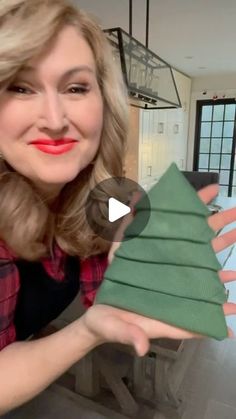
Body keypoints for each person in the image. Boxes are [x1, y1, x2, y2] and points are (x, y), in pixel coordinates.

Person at [0, 0, 236, 414]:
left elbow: (124, 208)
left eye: (76, 87)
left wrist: (139, 228)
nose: (54, 119)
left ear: (104, 104)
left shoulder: (92, 197)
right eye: (21, 86)